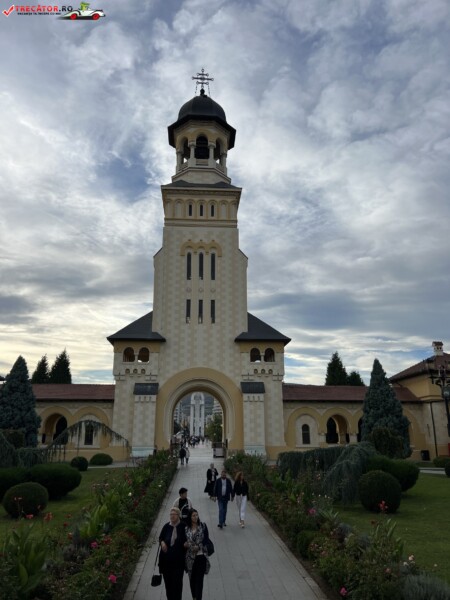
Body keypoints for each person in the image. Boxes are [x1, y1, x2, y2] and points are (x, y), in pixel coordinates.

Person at [158, 507, 187, 600]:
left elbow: (187, 539)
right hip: (166, 562)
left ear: (178, 515)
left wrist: (186, 544)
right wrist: (162, 543)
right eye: (171, 514)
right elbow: (161, 537)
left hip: (178, 563)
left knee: (177, 585)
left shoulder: (183, 526)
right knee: (168, 585)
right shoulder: (166, 526)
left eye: (174, 514)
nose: (172, 516)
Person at [184, 509, 211, 600]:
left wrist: (199, 547)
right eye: (193, 515)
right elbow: (184, 541)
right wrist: (185, 544)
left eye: (196, 515)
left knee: (199, 581)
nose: (196, 517)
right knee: (192, 580)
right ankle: (194, 597)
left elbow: (206, 539)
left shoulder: (203, 526)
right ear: (190, 517)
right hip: (190, 558)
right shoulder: (186, 528)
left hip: (201, 557)